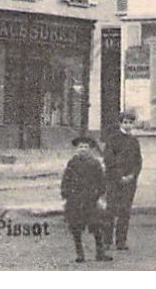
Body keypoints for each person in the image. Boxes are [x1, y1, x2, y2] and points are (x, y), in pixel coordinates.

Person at [61, 135, 113, 263]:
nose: (83, 149)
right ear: (76, 149)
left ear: (90, 149)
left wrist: (100, 195)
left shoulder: (95, 163)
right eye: (80, 147)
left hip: (91, 199)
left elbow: (101, 181)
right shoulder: (72, 163)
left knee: (97, 226)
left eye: (86, 147)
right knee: (76, 228)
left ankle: (100, 253)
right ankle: (80, 254)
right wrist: (65, 193)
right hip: (75, 200)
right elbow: (66, 179)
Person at [104, 110, 143, 249]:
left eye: (130, 122)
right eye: (125, 122)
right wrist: (119, 176)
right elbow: (109, 159)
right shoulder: (113, 139)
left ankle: (121, 241)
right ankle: (107, 241)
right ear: (120, 123)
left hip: (130, 182)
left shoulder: (134, 141)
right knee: (111, 210)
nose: (128, 125)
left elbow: (138, 161)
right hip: (114, 180)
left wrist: (132, 175)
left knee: (125, 211)